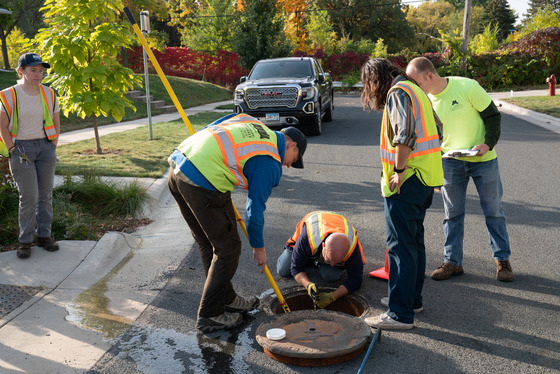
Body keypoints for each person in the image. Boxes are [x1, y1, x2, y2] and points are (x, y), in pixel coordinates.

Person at [167, 113, 307, 333]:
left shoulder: (252, 122)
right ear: (292, 145)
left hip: (179, 166)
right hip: (202, 181)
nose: (289, 166)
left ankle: (227, 298)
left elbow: (214, 127)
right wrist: (258, 248)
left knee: (208, 243)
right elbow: (254, 210)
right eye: (295, 159)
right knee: (228, 249)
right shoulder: (269, 161)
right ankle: (210, 315)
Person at [406, 57, 513, 282]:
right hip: (450, 162)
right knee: (451, 214)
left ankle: (502, 260)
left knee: (493, 211)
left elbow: (493, 116)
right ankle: (452, 262)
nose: (415, 87)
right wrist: (434, 173)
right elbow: (431, 139)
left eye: (416, 82)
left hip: (484, 159)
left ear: (429, 76)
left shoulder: (467, 87)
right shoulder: (425, 100)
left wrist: (487, 144)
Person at [361, 58, 443, 329]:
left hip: (406, 182)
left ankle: (399, 314)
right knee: (414, 244)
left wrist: (399, 169)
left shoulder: (398, 93)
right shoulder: (417, 92)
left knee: (400, 248)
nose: (371, 91)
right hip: (424, 179)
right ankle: (411, 301)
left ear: (377, 80)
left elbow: (404, 134)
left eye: (369, 84)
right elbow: (438, 129)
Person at [0, 53, 60, 259]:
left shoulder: (49, 93)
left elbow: (55, 120)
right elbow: (2, 125)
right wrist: (11, 149)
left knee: (45, 196)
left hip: (45, 148)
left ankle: (44, 236)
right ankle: (25, 241)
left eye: (41, 71)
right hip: (21, 149)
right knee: (29, 197)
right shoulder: (9, 95)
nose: (38, 74)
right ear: (21, 71)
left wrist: (52, 145)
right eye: (33, 70)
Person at [276, 211, 365, 309]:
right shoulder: (309, 236)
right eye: (329, 260)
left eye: (336, 262)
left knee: (330, 275)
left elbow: (356, 279)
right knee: (283, 270)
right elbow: (295, 269)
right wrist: (307, 284)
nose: (332, 265)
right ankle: (310, 258)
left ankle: (315, 261)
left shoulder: (352, 246)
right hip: (312, 231)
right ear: (324, 246)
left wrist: (332, 297)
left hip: (332, 231)